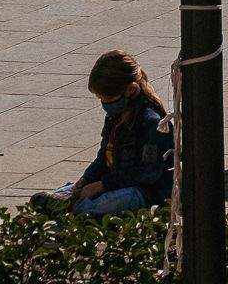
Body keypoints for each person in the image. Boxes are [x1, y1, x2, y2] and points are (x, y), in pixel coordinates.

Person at [43, 51, 174, 216]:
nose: (104, 104)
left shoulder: (152, 123)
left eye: (107, 98)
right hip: (113, 183)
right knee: (51, 197)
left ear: (130, 90)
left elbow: (146, 173)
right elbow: (103, 156)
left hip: (143, 192)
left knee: (95, 205)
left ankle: (75, 207)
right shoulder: (115, 117)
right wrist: (86, 179)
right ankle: (71, 204)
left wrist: (102, 185)